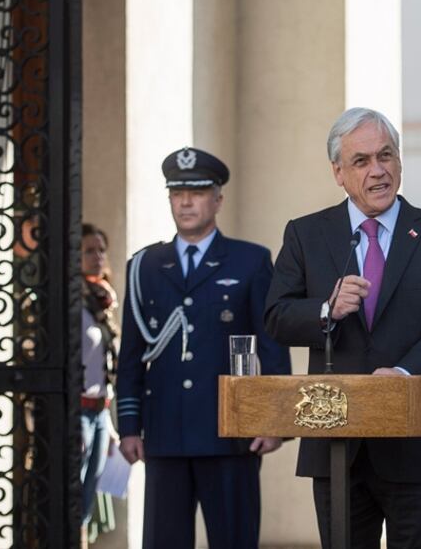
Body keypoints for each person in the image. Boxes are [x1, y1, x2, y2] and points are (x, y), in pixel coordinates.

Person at [264, 107, 421, 549]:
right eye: (361, 161)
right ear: (338, 172)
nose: (378, 171)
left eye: (387, 155)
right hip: (337, 443)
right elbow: (276, 317)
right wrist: (326, 309)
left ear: (399, 160)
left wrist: (401, 376)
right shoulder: (306, 235)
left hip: (415, 440)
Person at [116, 146, 292, 549]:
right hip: (164, 435)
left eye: (196, 192)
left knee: (234, 540)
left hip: (231, 435)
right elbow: (131, 355)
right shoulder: (144, 266)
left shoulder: (249, 261)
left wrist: (273, 421)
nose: (186, 202)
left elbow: (271, 347)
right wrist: (129, 426)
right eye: (177, 194)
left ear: (217, 199)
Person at [79, 223, 120, 544]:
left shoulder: (104, 300)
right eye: (89, 250)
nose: (97, 256)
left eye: (101, 249)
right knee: (73, 499)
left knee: (89, 500)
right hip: (76, 412)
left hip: (101, 412)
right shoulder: (72, 302)